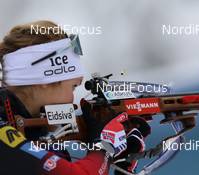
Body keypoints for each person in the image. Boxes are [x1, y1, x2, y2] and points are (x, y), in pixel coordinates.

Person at [0, 20, 127, 175]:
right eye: (73, 86)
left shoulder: (37, 135)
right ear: (46, 80)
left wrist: (124, 162)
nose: (72, 99)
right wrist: (105, 146)